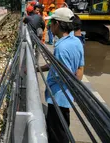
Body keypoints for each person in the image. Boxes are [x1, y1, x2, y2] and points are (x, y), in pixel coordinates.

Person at [41, 7, 84, 143]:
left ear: (57, 24)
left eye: (51, 22)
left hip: (58, 96)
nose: (49, 25)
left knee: (57, 134)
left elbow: (63, 73)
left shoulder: (61, 47)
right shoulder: (77, 41)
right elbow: (80, 68)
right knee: (63, 127)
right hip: (67, 95)